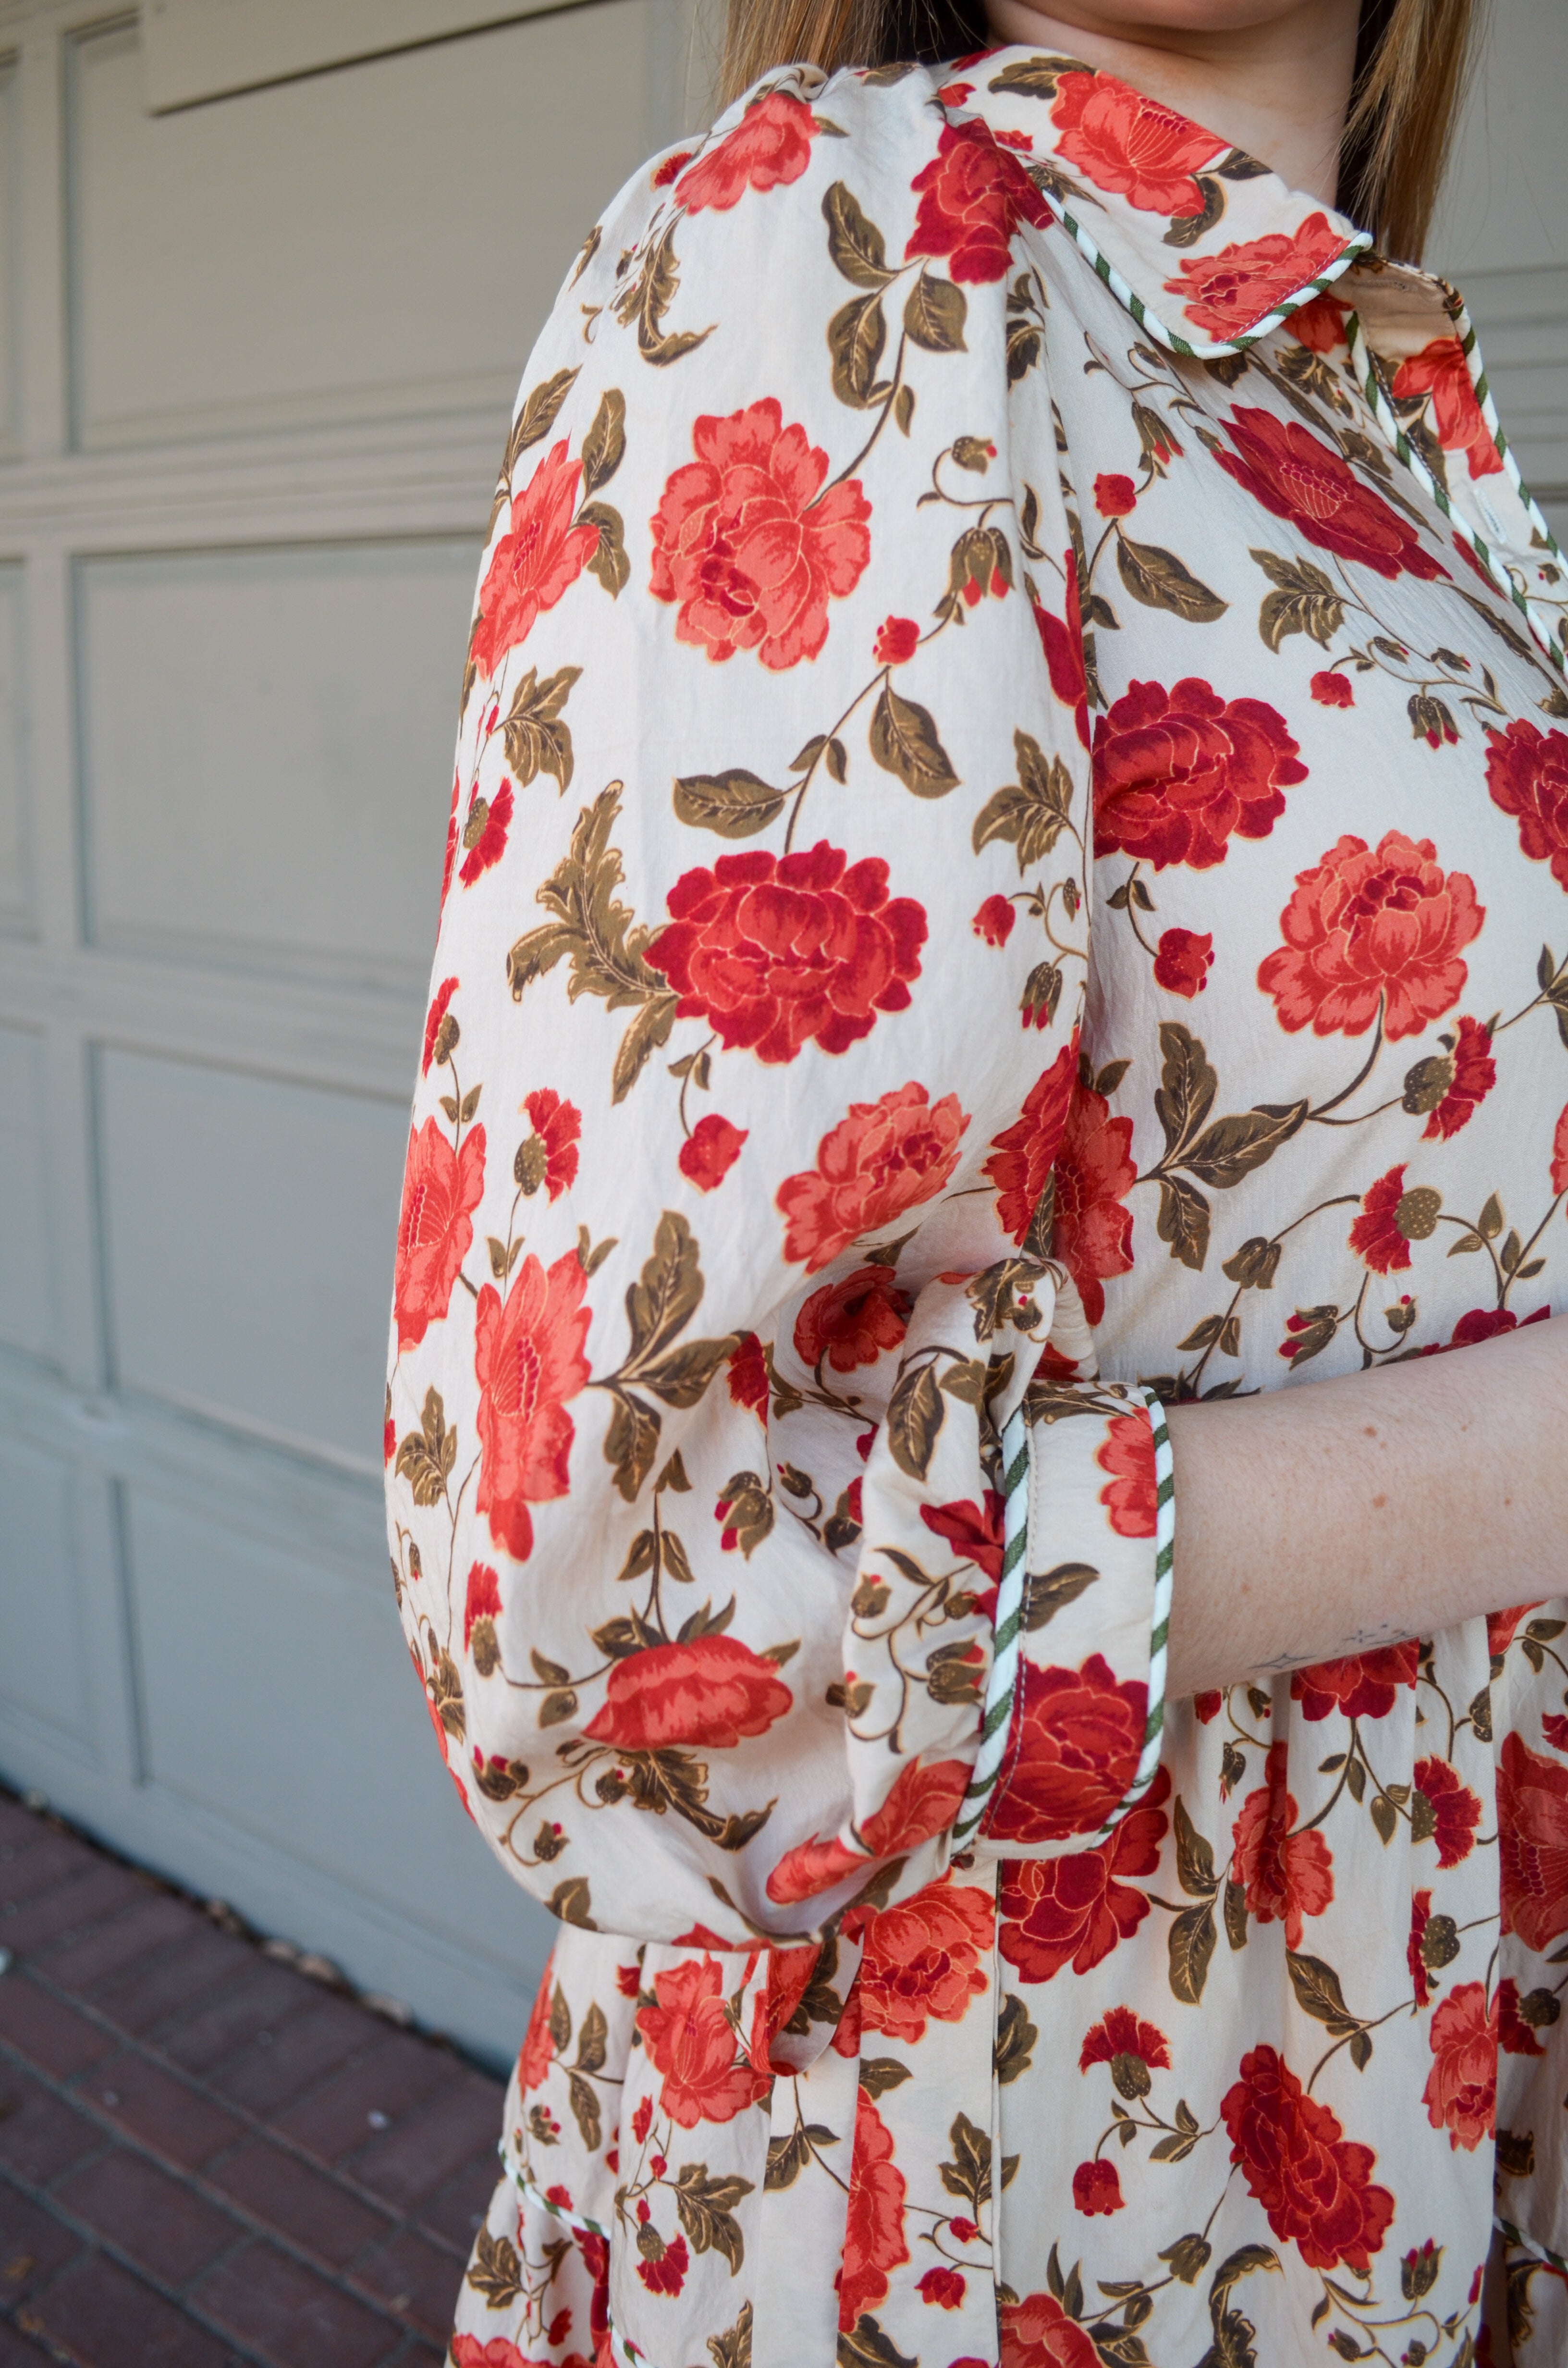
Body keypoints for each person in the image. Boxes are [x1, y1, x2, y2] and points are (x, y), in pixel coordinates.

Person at [386, 0, 1568, 2357]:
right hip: (1006, 2141)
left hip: (1403, 2055)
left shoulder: (1362, 405)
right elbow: (637, 1625)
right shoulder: (829, 237)